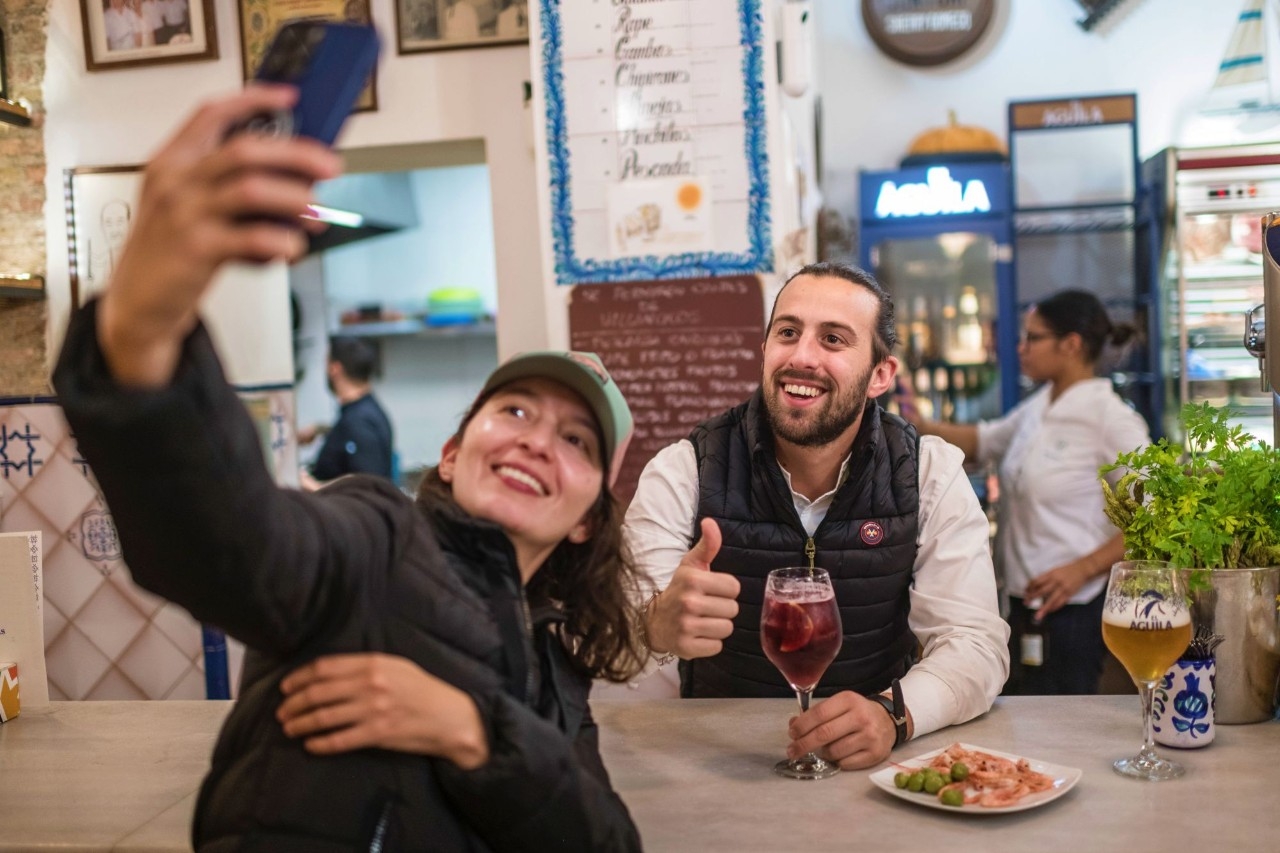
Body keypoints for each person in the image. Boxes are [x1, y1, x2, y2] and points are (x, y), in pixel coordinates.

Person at [52, 85, 644, 851]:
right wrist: (138, 329)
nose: (537, 440)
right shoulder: (376, 536)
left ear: (590, 516)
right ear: (456, 451)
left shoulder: (554, 667)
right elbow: (230, 542)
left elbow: (606, 841)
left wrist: (472, 731)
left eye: (577, 441)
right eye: (517, 410)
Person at [625, 262, 1009, 771]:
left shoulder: (928, 472)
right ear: (764, 351)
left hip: (871, 771)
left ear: (879, 375)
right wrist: (653, 627)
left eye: (833, 339)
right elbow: (616, 646)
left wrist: (894, 714)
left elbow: (976, 643)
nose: (802, 357)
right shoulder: (682, 471)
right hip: (716, 764)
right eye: (787, 333)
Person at [902, 289, 1150, 696]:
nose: (1021, 348)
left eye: (1033, 338)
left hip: (1073, 609)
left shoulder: (1113, 419)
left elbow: (1155, 516)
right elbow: (980, 442)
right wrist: (912, 418)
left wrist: (1083, 569)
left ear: (1070, 344)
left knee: (1063, 723)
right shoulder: (1039, 407)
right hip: (1021, 604)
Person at [298, 336, 394, 489]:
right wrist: (320, 430)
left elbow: (370, 491)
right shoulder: (363, 411)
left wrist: (312, 486)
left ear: (335, 369)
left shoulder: (360, 423)